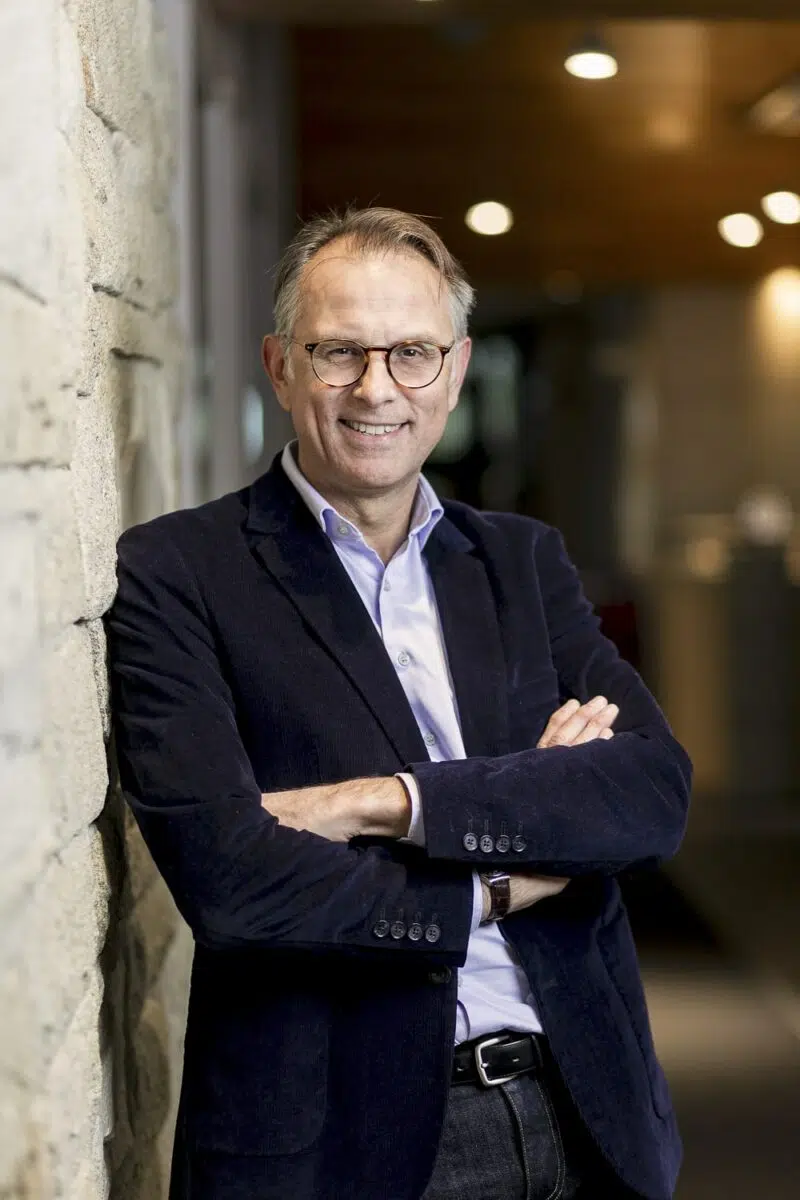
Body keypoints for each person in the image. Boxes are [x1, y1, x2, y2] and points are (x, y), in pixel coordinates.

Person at [107, 207, 692, 1200]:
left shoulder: (519, 561)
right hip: (343, 1146)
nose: (376, 389)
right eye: (339, 351)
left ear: (455, 370)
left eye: (410, 354)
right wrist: (502, 870)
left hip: (581, 1113)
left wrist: (384, 804)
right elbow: (232, 879)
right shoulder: (177, 573)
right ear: (279, 365)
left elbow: (647, 792)